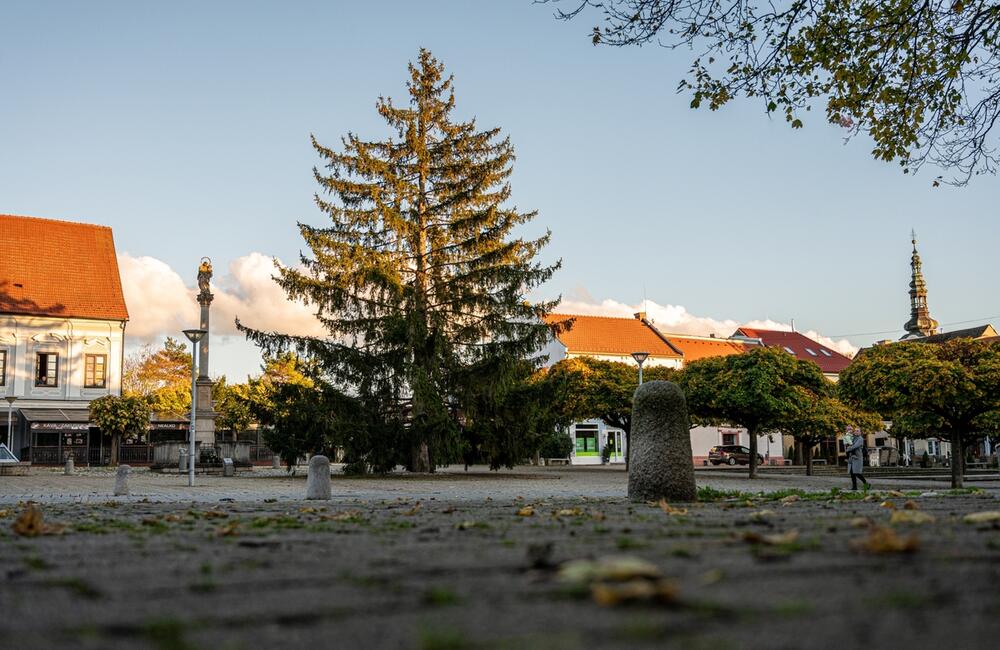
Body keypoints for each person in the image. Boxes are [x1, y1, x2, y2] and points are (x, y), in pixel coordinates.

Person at [845, 426, 869, 491]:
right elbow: (847, 443)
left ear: (860, 432)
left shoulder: (860, 439)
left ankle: (866, 484)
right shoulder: (853, 438)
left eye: (857, 431)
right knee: (852, 473)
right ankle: (854, 487)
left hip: (857, 458)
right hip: (852, 458)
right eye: (855, 430)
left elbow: (855, 446)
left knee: (857, 473)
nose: (856, 431)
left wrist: (848, 449)